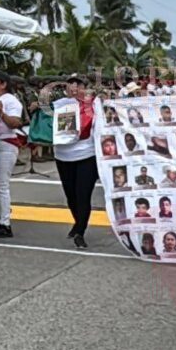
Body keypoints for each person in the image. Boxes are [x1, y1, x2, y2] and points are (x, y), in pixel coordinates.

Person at [49, 80, 100, 249]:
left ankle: (80, 232)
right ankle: (78, 223)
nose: (74, 88)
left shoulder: (95, 105)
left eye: (78, 85)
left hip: (87, 155)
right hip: (63, 156)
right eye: (70, 85)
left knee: (83, 195)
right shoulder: (59, 105)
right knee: (71, 196)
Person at [0, 73, 25, 239]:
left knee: (1, 185)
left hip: (6, 144)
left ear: (3, 84)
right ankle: (2, 209)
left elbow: (15, 123)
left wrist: (1, 113)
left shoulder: (11, 101)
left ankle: (5, 224)